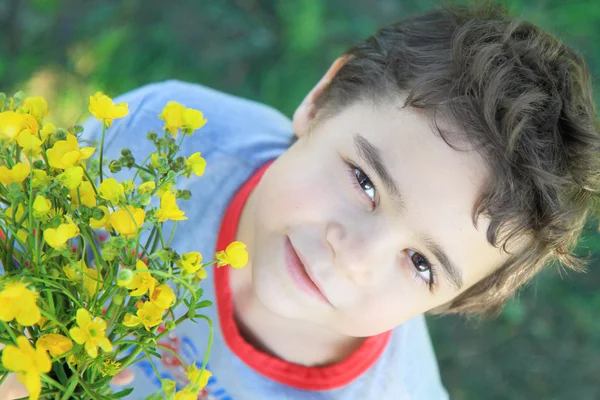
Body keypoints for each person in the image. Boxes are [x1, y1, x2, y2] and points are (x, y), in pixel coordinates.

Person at [2, 2, 599, 399]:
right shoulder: (159, 133)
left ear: (458, 299)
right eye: (364, 182)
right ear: (319, 101)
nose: (353, 256)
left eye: (421, 264)